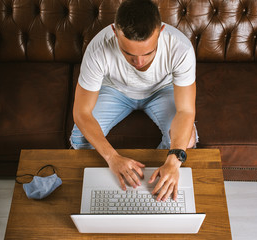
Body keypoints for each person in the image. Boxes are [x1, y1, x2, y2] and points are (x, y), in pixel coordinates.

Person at [70, 0, 197, 202]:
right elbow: (81, 113)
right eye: (128, 54)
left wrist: (174, 160)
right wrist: (112, 157)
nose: (139, 63)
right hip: (115, 90)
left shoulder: (180, 47)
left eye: (148, 53)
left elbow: (186, 111)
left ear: (161, 31)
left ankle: (153, 182)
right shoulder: (98, 48)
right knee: (81, 139)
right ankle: (115, 176)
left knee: (186, 140)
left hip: (161, 90)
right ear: (114, 32)